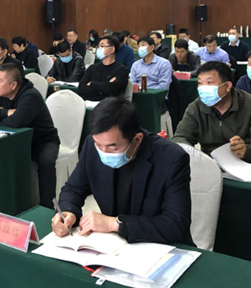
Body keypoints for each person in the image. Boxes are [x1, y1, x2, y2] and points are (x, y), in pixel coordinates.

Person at [52, 97, 194, 246]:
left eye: (113, 148)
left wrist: (116, 223)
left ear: (137, 140)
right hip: (116, 245)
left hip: (161, 247)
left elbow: (176, 225)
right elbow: (74, 188)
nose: (103, 152)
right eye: (98, 145)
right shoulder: (92, 146)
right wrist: (68, 212)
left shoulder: (171, 158)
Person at [0, 64, 60, 209]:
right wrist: (6, 112)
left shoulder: (31, 96)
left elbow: (15, 123)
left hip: (43, 141)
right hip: (17, 141)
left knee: (46, 162)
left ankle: (47, 206)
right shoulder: (1, 94)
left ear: (13, 84)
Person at [173, 62, 251, 165]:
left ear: (227, 86)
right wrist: (193, 155)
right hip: (209, 166)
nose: (203, 88)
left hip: (246, 166)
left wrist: (246, 151)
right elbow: (180, 138)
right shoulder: (196, 107)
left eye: (209, 82)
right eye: (200, 83)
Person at [78, 35, 129, 101]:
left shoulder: (121, 70)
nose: (99, 49)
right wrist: (101, 91)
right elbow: (81, 88)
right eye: (98, 46)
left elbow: (112, 90)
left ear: (112, 49)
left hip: (110, 105)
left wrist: (92, 84)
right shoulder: (92, 68)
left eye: (102, 46)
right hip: (90, 102)